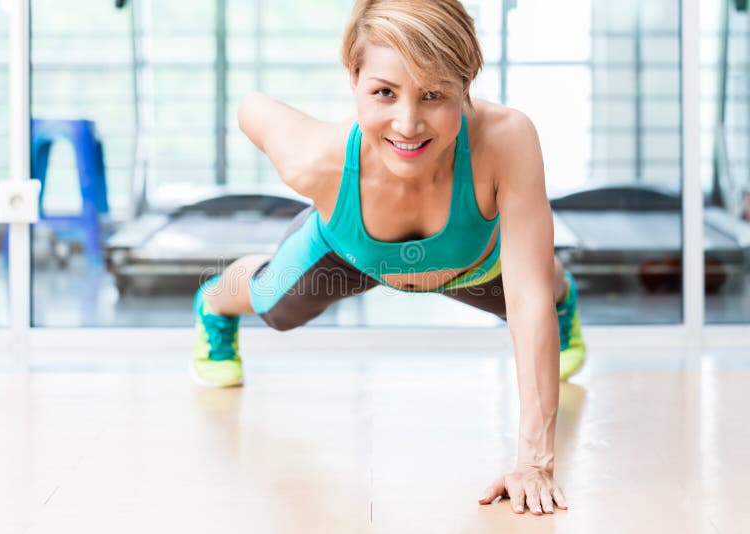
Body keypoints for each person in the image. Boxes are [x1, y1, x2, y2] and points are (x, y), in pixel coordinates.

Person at [191, 0, 584, 515]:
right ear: (353, 77)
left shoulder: (506, 139)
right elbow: (251, 107)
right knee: (272, 303)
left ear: (466, 84)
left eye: (434, 94)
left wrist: (535, 461)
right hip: (349, 251)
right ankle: (214, 302)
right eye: (383, 92)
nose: (408, 123)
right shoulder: (315, 157)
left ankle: (567, 305)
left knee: (535, 289)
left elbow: (527, 292)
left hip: (468, 261)